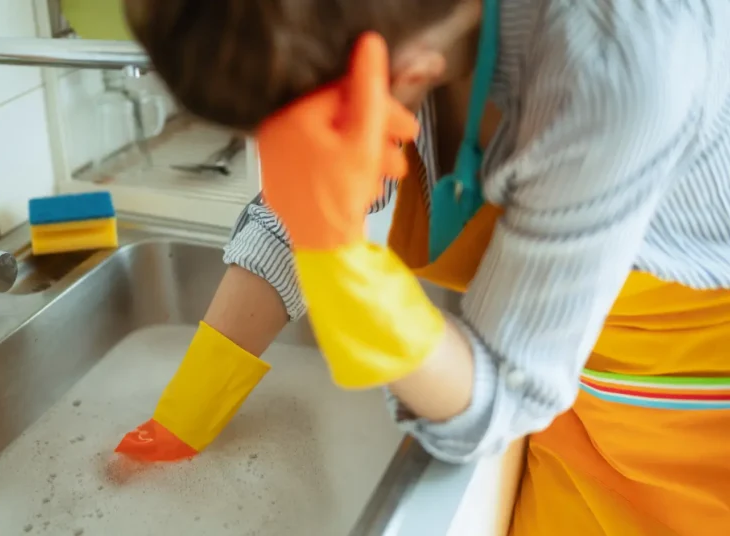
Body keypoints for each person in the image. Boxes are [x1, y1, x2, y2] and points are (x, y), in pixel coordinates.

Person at [115, 0, 730, 533]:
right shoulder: (393, 19)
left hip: (688, 427)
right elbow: (310, 188)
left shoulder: (611, 68)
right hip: (557, 393)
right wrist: (187, 411)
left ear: (409, 72)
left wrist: (340, 266)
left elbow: (505, 393)